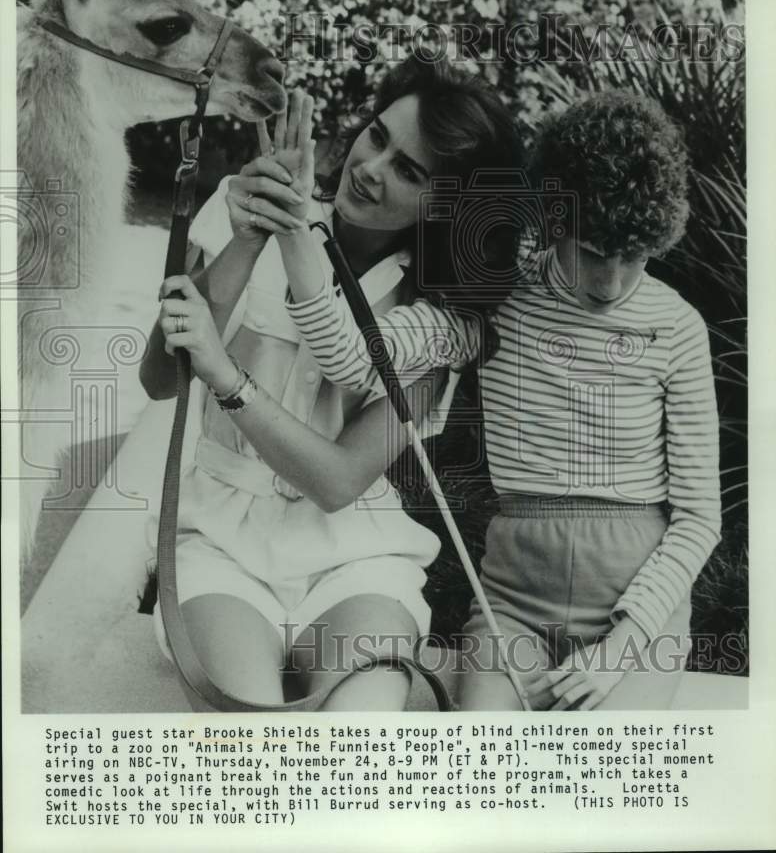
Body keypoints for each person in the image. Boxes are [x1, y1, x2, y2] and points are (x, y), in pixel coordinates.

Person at [282, 88, 722, 712]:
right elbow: (354, 358)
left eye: (637, 256)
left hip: (635, 615)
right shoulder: (496, 305)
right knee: (484, 770)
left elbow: (701, 518)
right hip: (512, 608)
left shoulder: (677, 327)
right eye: (596, 254)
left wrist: (621, 648)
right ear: (552, 218)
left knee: (604, 788)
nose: (614, 282)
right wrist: (296, 222)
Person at [139, 52, 523, 711]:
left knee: (358, 740)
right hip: (218, 544)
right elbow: (158, 378)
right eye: (378, 136)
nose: (371, 169)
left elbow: (340, 480)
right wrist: (252, 235)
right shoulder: (243, 210)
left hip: (356, 558)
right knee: (250, 743)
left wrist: (227, 373)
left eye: (408, 170)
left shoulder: (435, 317)